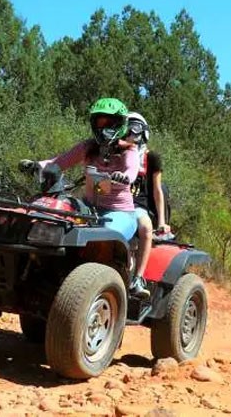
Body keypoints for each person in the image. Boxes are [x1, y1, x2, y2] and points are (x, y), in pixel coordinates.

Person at [19, 97, 150, 299]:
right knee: (55, 212)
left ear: (120, 124)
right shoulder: (89, 148)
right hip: (88, 208)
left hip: (119, 213)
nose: (103, 127)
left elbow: (131, 170)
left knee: (103, 235)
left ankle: (99, 286)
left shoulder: (129, 151)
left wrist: (124, 177)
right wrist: (37, 165)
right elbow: (59, 162)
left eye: (108, 122)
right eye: (99, 121)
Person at [123, 112, 172, 294]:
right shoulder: (117, 152)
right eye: (127, 127)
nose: (130, 133)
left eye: (134, 128)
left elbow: (157, 191)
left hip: (138, 206)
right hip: (115, 203)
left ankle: (138, 278)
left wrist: (161, 222)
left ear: (143, 132)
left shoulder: (152, 158)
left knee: (144, 227)